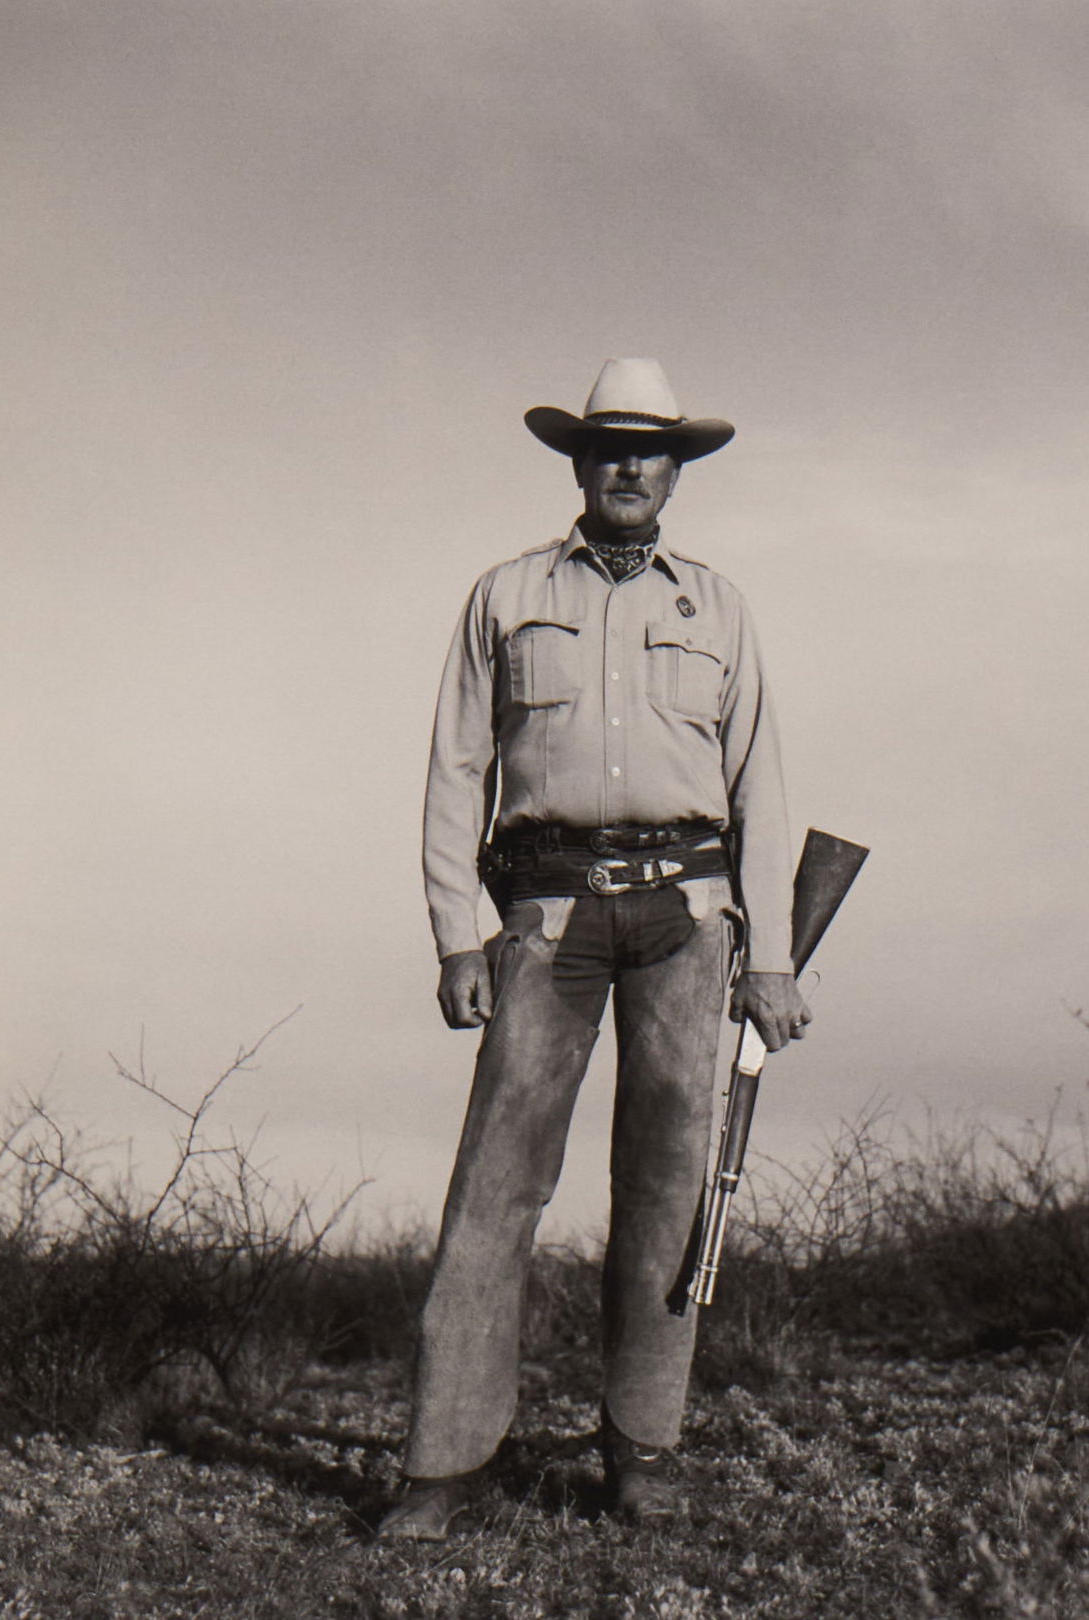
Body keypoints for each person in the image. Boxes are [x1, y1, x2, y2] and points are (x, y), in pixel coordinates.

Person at [379, 359, 810, 1541]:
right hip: (546, 915)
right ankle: (443, 1466)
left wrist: (769, 957)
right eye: (609, 445)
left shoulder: (717, 607)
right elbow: (453, 768)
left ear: (675, 471)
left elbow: (760, 785)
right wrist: (451, 932)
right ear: (578, 461)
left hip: (685, 916)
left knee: (670, 1186)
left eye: (651, 450)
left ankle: (641, 1452)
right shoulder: (506, 594)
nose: (630, 466)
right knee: (495, 1183)